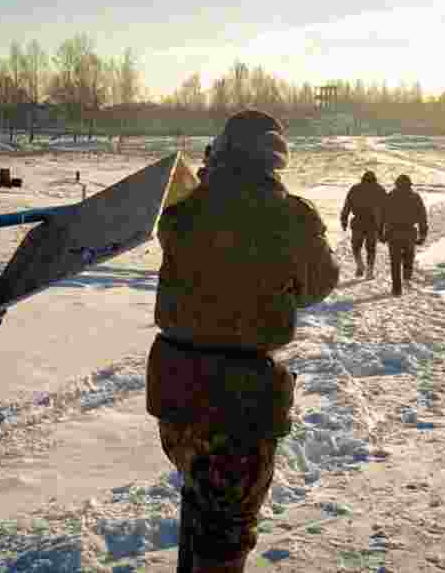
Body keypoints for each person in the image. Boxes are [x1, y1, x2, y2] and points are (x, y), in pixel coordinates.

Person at [146, 109, 339, 572]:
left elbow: (170, 229)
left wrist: (205, 183)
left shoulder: (185, 208)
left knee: (199, 507)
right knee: (227, 535)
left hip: (174, 392)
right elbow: (320, 283)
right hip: (240, 402)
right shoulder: (291, 216)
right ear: (275, 160)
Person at [380, 174, 428, 296]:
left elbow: (382, 216)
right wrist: (423, 234)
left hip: (393, 232)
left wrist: (381, 233)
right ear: (409, 184)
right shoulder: (415, 197)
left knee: (395, 262)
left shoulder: (390, 196)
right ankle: (406, 279)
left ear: (396, 184)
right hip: (409, 233)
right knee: (408, 258)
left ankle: (397, 289)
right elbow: (422, 216)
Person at [340, 170, 387, 279]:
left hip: (358, 223)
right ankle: (369, 271)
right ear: (374, 179)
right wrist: (384, 226)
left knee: (356, 246)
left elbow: (347, 206)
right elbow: (386, 209)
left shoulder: (355, 189)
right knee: (371, 249)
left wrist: (344, 220)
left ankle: (359, 264)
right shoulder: (379, 189)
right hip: (373, 224)